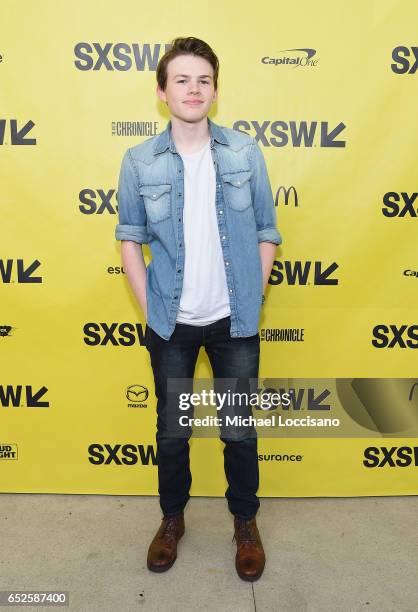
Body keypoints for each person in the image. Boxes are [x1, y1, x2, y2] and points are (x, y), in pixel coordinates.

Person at [115, 36, 282, 582]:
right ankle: (171, 521)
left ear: (215, 89)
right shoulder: (138, 161)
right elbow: (130, 241)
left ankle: (245, 524)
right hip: (171, 326)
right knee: (172, 433)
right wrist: (153, 311)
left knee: (238, 430)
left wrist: (250, 301)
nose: (194, 89)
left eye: (203, 80)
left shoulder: (243, 154)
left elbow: (265, 232)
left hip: (234, 323)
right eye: (181, 79)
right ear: (162, 92)